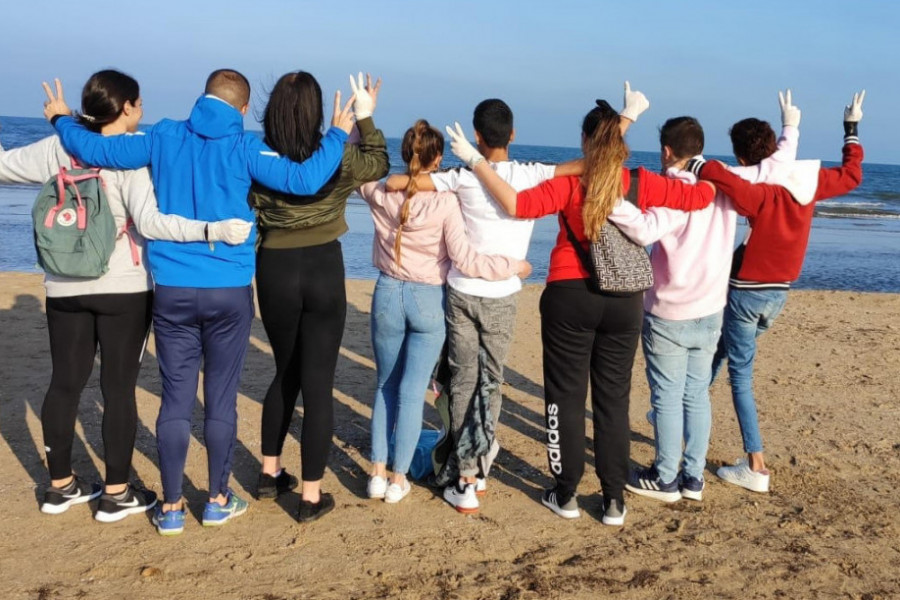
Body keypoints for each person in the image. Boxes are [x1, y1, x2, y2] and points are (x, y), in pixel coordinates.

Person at [43, 68, 354, 534]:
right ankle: (215, 500)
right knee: (221, 401)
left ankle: (170, 509)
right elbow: (305, 179)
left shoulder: (164, 134)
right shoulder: (245, 146)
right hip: (228, 290)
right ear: (244, 110)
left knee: (175, 401)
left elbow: (94, 148)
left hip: (172, 290)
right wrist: (339, 132)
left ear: (201, 98)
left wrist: (62, 119)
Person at [444, 89, 717, 525]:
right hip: (625, 302)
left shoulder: (570, 182)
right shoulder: (640, 181)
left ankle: (566, 492)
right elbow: (701, 197)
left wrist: (474, 162)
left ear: (586, 143)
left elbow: (515, 204)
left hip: (569, 296)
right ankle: (613, 500)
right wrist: (701, 168)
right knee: (613, 400)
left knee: (565, 399)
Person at [0, 69, 251, 522]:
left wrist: (60, 121)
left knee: (64, 382)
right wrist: (212, 231)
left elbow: (2, 164)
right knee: (117, 389)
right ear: (128, 108)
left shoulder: (58, 147)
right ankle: (115, 493)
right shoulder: (131, 161)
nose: (143, 111)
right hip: (124, 289)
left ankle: (60, 488)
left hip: (62, 285)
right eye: (139, 104)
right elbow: (153, 224)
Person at [384, 97, 588, 514]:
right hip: (504, 294)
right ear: (512, 135)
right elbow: (584, 165)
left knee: (463, 382)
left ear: (476, 136)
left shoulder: (460, 176)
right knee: (490, 383)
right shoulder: (530, 174)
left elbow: (400, 184)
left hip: (462, 292)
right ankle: (475, 469)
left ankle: (464, 475)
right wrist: (619, 124)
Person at [608, 90, 802, 503]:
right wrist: (790, 129)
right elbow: (774, 165)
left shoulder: (675, 189)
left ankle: (665, 478)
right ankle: (692, 477)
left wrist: (609, 200)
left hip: (670, 311)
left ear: (666, 151)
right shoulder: (725, 185)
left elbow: (644, 231)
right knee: (695, 394)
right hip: (712, 309)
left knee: (667, 395)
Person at [689, 91, 865, 494]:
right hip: (779, 293)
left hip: (748, 291)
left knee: (741, 376)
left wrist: (702, 165)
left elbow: (733, 183)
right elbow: (853, 175)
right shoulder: (810, 180)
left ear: (745, 158)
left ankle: (756, 465)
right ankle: (689, 409)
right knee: (725, 351)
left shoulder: (765, 190)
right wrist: (851, 130)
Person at [358, 119, 531, 505]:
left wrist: (360, 123)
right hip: (427, 300)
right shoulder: (445, 201)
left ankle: (376, 473)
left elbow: (355, 167)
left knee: (385, 384)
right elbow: (467, 261)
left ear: (405, 154)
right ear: (438, 159)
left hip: (387, 292)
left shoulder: (379, 191)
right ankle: (398, 478)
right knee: (410, 391)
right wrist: (513, 266)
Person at [247, 72, 389, 521]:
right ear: (317, 113)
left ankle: (269, 475)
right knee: (318, 383)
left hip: (274, 268)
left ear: (272, 110)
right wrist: (364, 118)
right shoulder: (340, 158)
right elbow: (379, 163)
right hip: (324, 268)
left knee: (284, 372)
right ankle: (310, 496)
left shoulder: (258, 156)